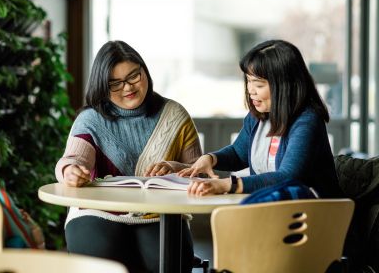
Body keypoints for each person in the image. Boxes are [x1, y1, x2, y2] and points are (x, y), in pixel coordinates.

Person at [55, 40, 201, 273]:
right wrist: (70, 171)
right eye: (115, 83)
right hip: (98, 210)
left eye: (134, 76)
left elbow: (200, 172)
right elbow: (74, 158)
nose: (128, 87)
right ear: (102, 86)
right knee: (101, 257)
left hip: (160, 214)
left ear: (145, 71)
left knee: (167, 260)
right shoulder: (91, 119)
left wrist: (174, 167)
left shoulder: (175, 115)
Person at [179, 39, 343, 198]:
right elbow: (238, 153)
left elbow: (288, 177)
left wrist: (228, 184)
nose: (251, 90)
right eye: (248, 81)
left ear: (284, 85)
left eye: (258, 84)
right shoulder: (258, 117)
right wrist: (211, 158)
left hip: (314, 215)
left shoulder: (307, 121)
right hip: (277, 209)